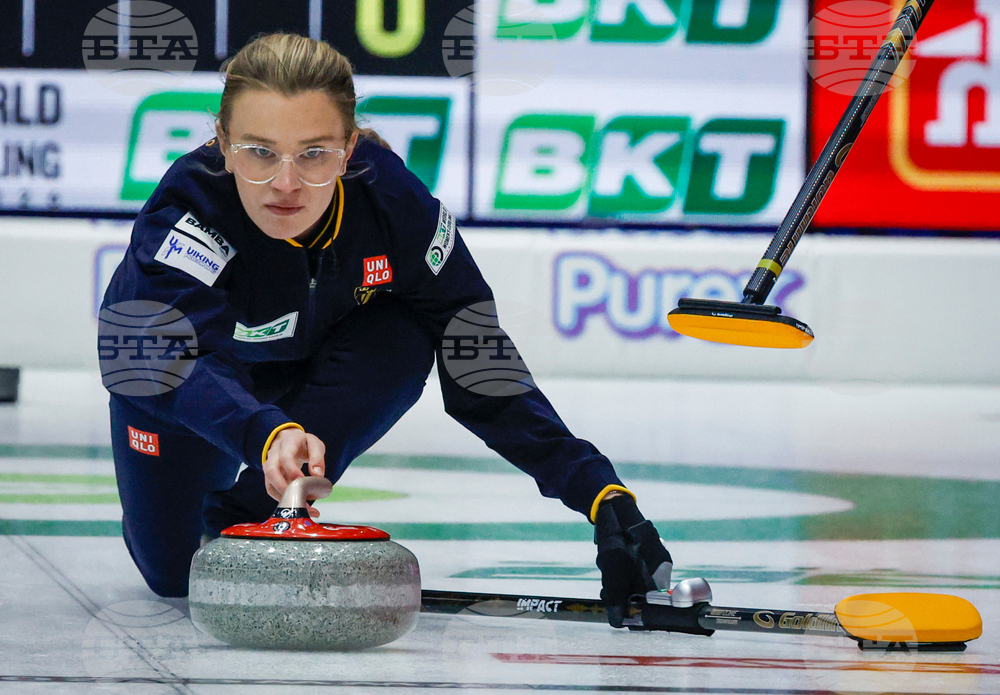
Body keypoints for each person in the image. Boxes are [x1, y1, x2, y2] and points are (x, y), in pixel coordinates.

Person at [99, 32, 674, 626]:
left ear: (350, 148)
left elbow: (475, 355)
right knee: (175, 577)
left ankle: (253, 514)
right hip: (185, 396)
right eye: (260, 151)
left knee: (406, 334)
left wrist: (599, 492)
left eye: (314, 153)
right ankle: (224, 501)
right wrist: (264, 433)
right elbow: (153, 358)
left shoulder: (392, 205)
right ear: (222, 142)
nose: (286, 184)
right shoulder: (189, 208)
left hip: (309, 379)